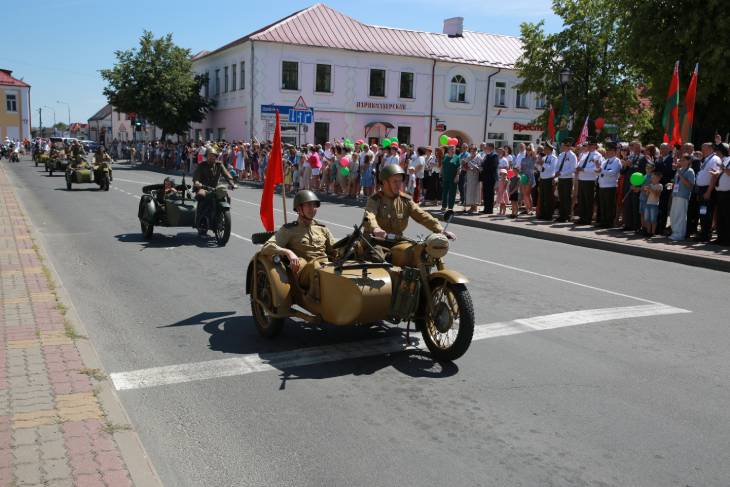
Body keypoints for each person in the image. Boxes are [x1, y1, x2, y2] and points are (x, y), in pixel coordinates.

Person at [261, 190, 336, 291]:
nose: (312, 208)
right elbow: (266, 247)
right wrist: (288, 252)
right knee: (315, 266)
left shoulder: (322, 229)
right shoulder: (289, 230)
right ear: (299, 209)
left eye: (314, 205)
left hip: (326, 269)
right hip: (305, 274)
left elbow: (336, 249)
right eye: (308, 205)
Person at [364, 164, 455, 240]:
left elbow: (422, 216)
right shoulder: (375, 199)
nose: (398, 184)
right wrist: (375, 229)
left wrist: (441, 230)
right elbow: (369, 215)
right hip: (374, 240)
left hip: (396, 241)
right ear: (385, 182)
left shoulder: (405, 200)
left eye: (400, 181)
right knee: (377, 257)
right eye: (395, 181)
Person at [192, 147, 237, 230]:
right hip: (203, 187)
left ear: (216, 156)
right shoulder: (202, 165)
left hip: (215, 188)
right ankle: (199, 221)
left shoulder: (219, 165)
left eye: (213, 156)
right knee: (201, 196)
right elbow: (196, 177)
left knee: (226, 196)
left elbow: (226, 174)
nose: (211, 157)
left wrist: (232, 183)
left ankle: (221, 214)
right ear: (206, 156)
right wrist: (197, 182)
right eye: (209, 155)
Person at [691, 142, 721, 241]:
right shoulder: (707, 159)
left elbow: (714, 177)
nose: (702, 150)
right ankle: (703, 233)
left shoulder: (715, 159)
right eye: (702, 148)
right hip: (702, 189)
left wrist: (708, 191)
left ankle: (705, 235)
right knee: (702, 212)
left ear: (711, 149)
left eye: (704, 148)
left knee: (706, 213)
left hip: (707, 189)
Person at [575, 137, 602, 224]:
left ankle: (587, 219)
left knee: (588, 200)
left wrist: (583, 169)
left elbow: (596, 169)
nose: (589, 146)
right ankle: (582, 217)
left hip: (590, 180)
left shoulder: (597, 155)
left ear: (595, 145)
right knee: (581, 200)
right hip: (582, 179)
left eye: (591, 145)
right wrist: (578, 169)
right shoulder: (584, 154)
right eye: (588, 145)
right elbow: (579, 165)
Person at [669, 154, 695, 241]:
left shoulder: (690, 171)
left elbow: (690, 185)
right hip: (676, 195)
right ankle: (675, 232)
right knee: (673, 215)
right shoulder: (679, 170)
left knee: (680, 215)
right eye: (681, 160)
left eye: (683, 160)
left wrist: (679, 173)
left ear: (688, 161)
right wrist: (671, 184)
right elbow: (677, 183)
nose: (681, 161)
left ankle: (680, 234)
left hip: (683, 196)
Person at [597, 141, 621, 227]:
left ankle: (609, 222)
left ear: (614, 151)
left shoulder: (616, 161)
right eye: (607, 150)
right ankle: (603, 221)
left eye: (609, 150)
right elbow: (601, 172)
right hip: (602, 185)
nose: (607, 151)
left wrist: (601, 171)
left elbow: (613, 172)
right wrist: (598, 170)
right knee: (603, 205)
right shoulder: (605, 161)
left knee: (609, 205)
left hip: (610, 186)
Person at [711, 142, 730, 245]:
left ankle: (727, 239)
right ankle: (720, 238)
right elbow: (724, 172)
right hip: (720, 193)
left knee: (727, 216)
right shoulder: (725, 160)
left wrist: (722, 168)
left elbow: (728, 172)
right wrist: (716, 173)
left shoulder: (727, 161)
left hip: (727, 194)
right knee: (720, 216)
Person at [554, 139, 576, 222]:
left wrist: (561, 173)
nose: (562, 147)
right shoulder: (561, 155)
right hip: (561, 179)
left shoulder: (572, 156)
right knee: (561, 197)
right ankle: (561, 215)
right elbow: (557, 166)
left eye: (563, 145)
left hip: (567, 179)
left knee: (566, 198)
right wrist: (557, 173)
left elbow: (573, 169)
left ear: (568, 146)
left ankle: (566, 216)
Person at [537, 142, 557, 220]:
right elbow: (541, 169)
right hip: (543, 178)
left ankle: (548, 215)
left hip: (549, 179)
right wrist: (539, 165)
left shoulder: (554, 158)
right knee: (542, 197)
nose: (544, 150)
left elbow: (552, 169)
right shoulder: (544, 158)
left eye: (545, 149)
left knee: (549, 198)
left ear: (550, 150)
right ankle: (542, 214)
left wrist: (543, 164)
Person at [480, 142, 499, 214]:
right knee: (485, 193)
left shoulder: (494, 155)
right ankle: (486, 208)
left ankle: (489, 209)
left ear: (491, 147)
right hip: (486, 177)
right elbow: (484, 163)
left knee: (490, 194)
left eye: (486, 147)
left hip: (491, 177)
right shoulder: (487, 155)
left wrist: (483, 168)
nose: (485, 148)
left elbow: (493, 167)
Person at [643, 171, 663, 237]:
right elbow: (647, 195)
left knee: (653, 219)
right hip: (648, 203)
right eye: (652, 177)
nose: (652, 179)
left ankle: (653, 232)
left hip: (654, 204)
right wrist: (646, 191)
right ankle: (648, 232)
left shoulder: (659, 185)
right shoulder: (650, 185)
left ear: (658, 179)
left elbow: (657, 195)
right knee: (647, 219)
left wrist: (650, 189)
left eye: (654, 178)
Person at [441, 145, 460, 212]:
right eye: (451, 149)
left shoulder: (456, 157)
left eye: (453, 149)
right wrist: (441, 173)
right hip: (445, 177)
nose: (452, 150)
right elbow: (443, 165)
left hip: (453, 177)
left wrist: (457, 176)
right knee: (445, 192)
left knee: (452, 192)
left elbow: (458, 168)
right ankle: (444, 206)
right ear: (448, 150)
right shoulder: (445, 157)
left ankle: (450, 207)